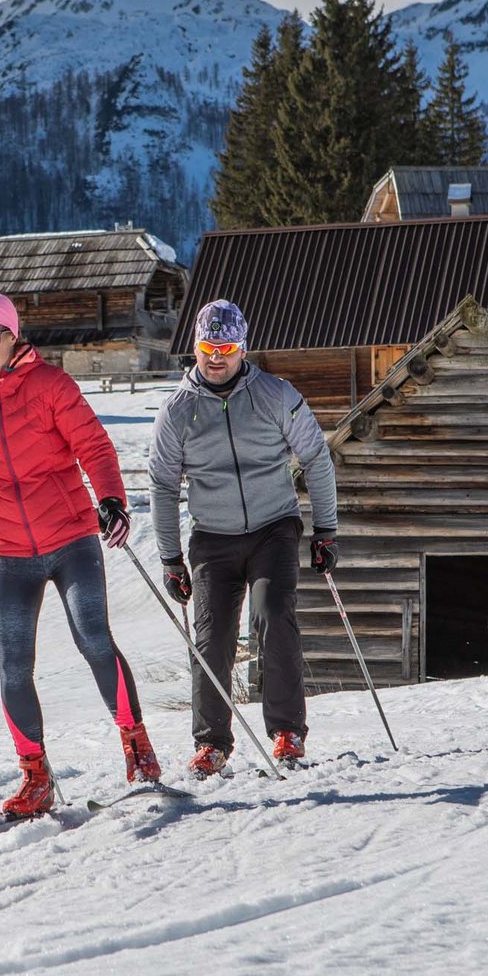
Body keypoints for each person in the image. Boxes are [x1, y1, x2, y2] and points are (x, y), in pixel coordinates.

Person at [0, 291, 160, 819]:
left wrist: (112, 500)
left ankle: (137, 747)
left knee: (93, 638)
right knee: (11, 666)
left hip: (71, 536)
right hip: (7, 549)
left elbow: (94, 447)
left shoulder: (52, 386)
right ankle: (35, 776)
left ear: (12, 336)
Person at [148, 299, 339, 775]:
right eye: (207, 347)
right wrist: (171, 559)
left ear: (243, 348)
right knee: (212, 637)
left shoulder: (275, 395)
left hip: (273, 526)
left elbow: (316, 457)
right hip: (213, 536)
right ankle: (211, 744)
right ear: (195, 347)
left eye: (227, 347)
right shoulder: (177, 411)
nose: (216, 357)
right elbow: (163, 484)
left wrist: (326, 530)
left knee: (272, 615)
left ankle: (287, 733)